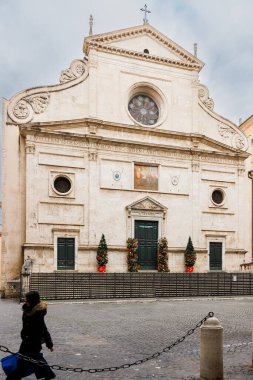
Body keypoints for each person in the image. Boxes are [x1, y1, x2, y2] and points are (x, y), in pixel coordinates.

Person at [6, 291, 56, 380]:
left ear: (32, 300)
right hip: (27, 339)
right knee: (34, 358)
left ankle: (14, 377)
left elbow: (43, 328)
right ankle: (49, 374)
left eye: (27, 298)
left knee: (23, 359)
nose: (25, 300)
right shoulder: (28, 309)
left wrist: (49, 344)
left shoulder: (37, 313)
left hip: (34, 340)